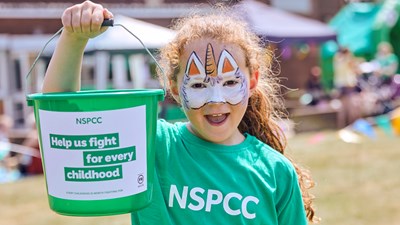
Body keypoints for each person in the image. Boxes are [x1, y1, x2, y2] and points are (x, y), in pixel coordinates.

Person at [42, 1, 317, 224]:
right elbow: (60, 119)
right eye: (198, 85)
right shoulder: (153, 143)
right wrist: (74, 39)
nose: (216, 99)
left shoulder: (276, 172)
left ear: (252, 81)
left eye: (231, 82)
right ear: (174, 87)